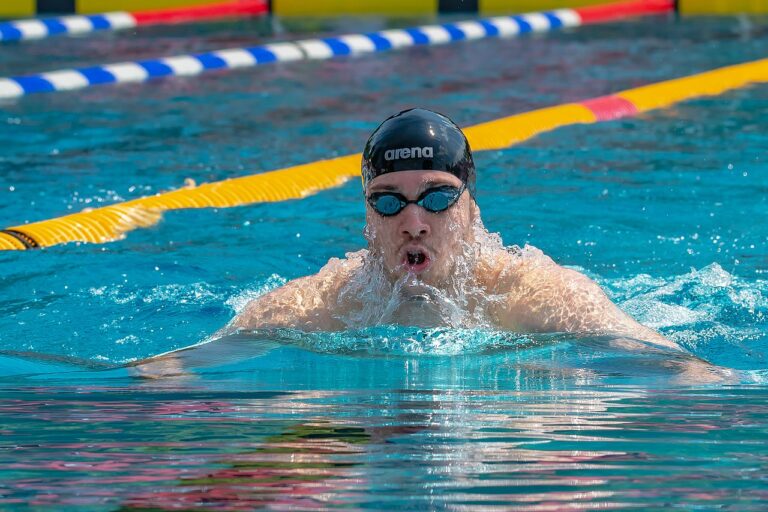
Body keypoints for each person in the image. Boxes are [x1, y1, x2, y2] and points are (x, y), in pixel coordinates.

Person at [229, 108, 682, 351]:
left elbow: (677, 371)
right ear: (368, 219)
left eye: (438, 197)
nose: (413, 224)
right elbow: (181, 372)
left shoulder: (537, 297)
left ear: (471, 209)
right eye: (387, 201)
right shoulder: (322, 304)